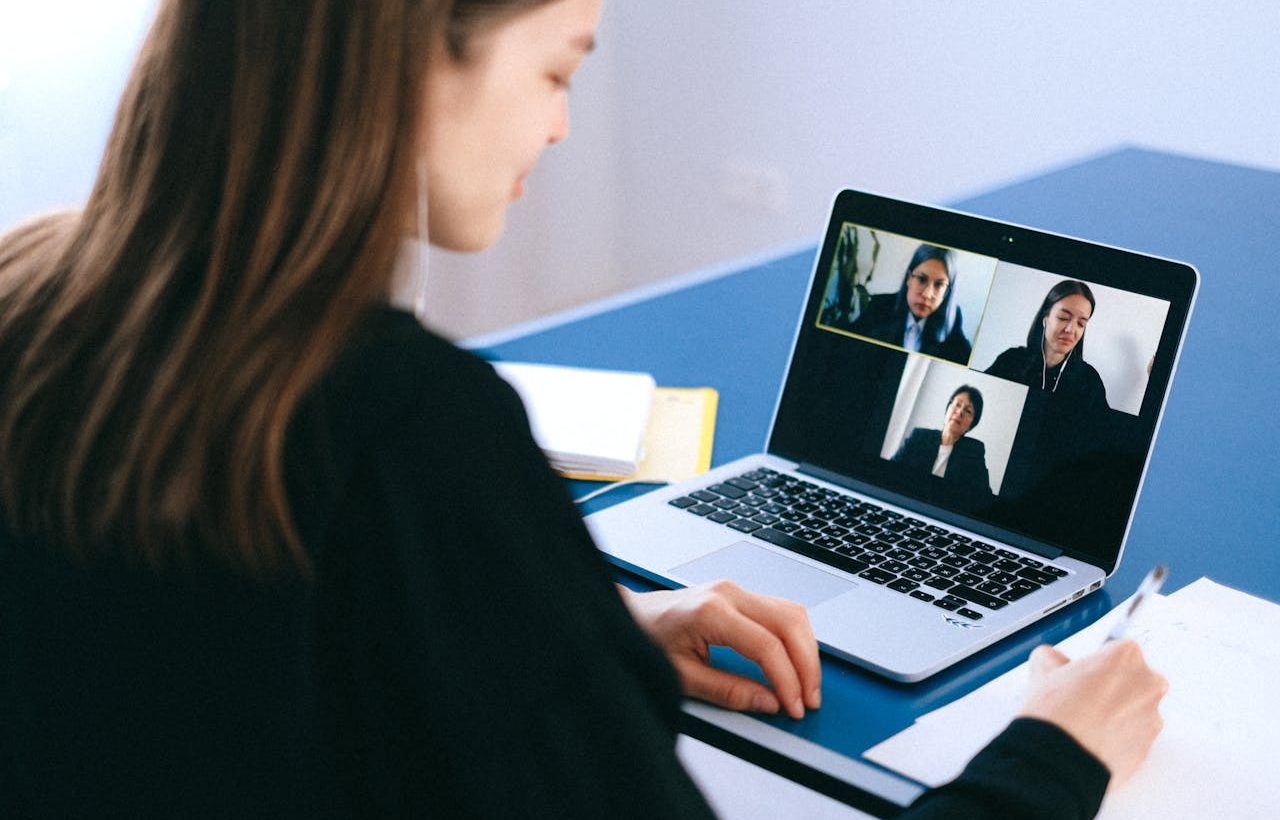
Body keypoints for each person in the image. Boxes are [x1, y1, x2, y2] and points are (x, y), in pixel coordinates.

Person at [0, 2, 1165, 818]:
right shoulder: (412, 427)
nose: (560, 125)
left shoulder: (31, 295)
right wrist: (1054, 754)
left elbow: (230, 648)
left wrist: (581, 629)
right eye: (557, 68)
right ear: (410, 52)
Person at [986, 280, 1109, 409]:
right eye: (1063, 318)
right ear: (1045, 318)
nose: (1070, 330)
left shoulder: (1089, 380)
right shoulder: (1011, 360)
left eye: (1081, 324)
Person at [850, 243, 972, 364]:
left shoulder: (952, 320)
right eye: (921, 279)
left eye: (939, 285)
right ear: (909, 278)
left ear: (947, 291)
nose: (927, 294)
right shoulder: (880, 306)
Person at [892, 385, 991, 492]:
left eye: (968, 411)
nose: (959, 412)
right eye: (957, 404)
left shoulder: (974, 452)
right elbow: (891, 470)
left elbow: (983, 495)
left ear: (971, 425)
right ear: (948, 409)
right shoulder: (919, 437)